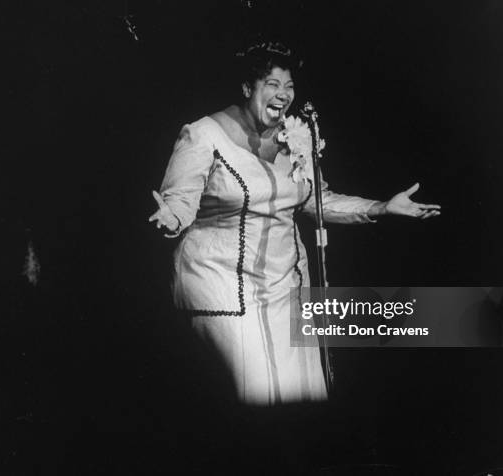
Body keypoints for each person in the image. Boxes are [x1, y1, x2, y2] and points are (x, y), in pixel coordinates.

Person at [149, 42, 440, 405]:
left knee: (303, 400)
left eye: (288, 86)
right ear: (247, 89)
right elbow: (180, 201)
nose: (282, 95)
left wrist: (381, 207)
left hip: (286, 285)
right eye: (272, 84)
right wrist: (170, 218)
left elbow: (318, 201)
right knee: (256, 398)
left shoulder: (295, 140)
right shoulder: (204, 135)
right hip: (222, 287)